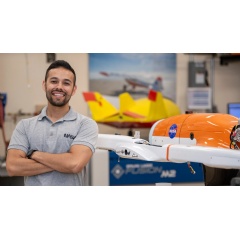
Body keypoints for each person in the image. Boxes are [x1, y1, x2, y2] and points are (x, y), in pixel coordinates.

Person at [6, 60, 99, 186]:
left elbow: (75, 164)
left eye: (66, 83)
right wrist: (64, 162)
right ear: (44, 85)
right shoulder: (25, 126)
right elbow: (12, 167)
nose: (59, 87)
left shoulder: (86, 124)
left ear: (73, 89)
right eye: (54, 81)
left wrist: (34, 154)